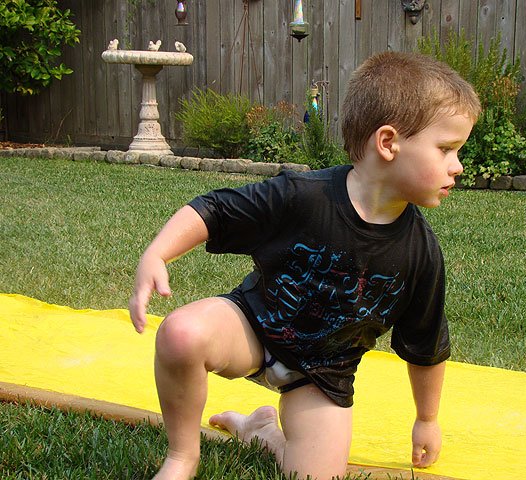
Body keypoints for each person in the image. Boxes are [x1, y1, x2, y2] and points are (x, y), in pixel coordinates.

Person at [129, 51, 481, 480]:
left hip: (322, 376)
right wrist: (157, 254)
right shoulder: (303, 196)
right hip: (252, 330)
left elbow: (426, 344)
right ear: (389, 143)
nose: (457, 166)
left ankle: (261, 431)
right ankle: (182, 457)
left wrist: (427, 418)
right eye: (446, 149)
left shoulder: (420, 252)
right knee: (181, 334)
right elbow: (215, 210)